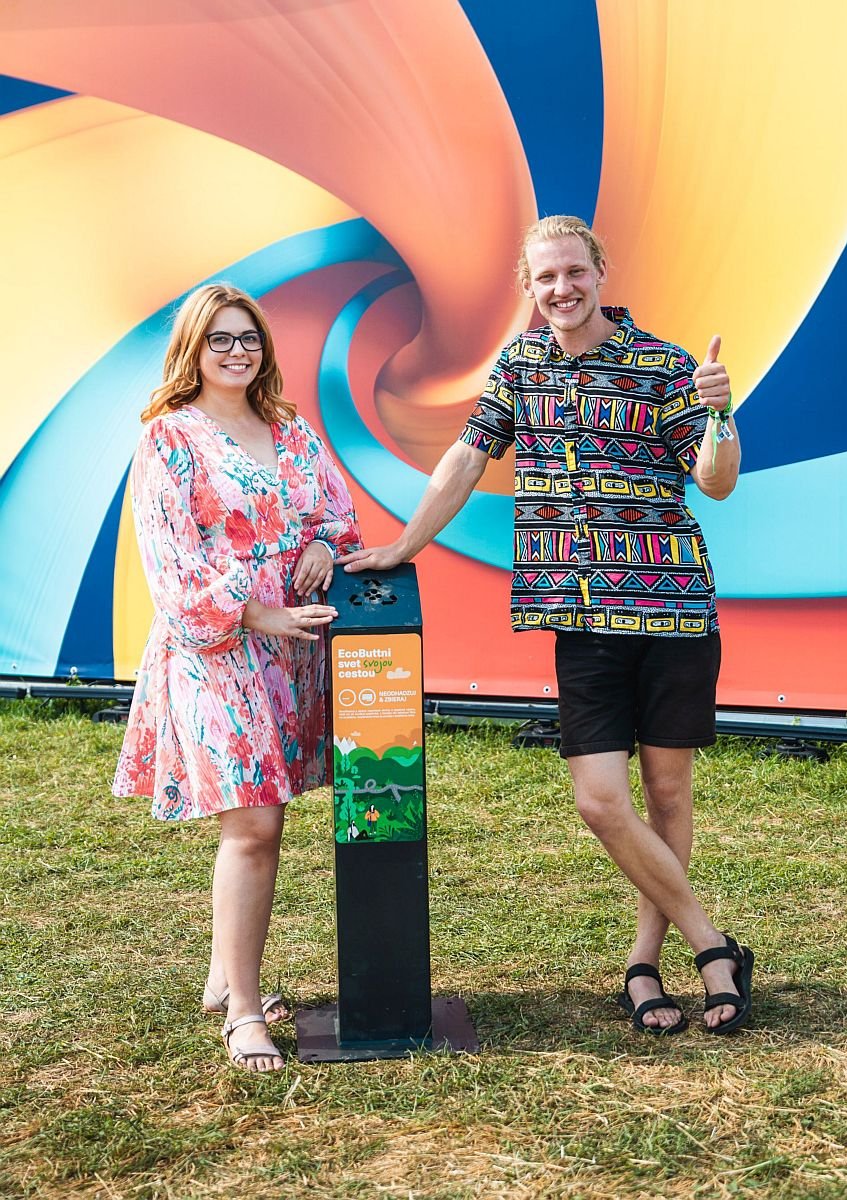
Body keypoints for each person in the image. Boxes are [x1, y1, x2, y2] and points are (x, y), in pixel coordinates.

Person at [340, 215, 754, 1036]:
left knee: (667, 793)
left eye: (574, 271)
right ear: (528, 288)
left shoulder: (664, 364)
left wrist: (720, 416)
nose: (561, 288)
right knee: (601, 801)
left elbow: (716, 482)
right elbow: (467, 456)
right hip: (582, 617)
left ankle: (644, 962)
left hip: (672, 610)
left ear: (599, 271)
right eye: (545, 278)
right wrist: (404, 544)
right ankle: (714, 944)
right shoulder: (520, 365)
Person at [113, 283, 361, 1071]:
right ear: (193, 348)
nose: (236, 351)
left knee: (264, 819)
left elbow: (336, 516)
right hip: (216, 651)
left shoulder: (290, 428)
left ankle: (225, 977)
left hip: (292, 654)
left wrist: (322, 545)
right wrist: (257, 614)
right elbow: (171, 566)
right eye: (219, 338)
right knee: (254, 825)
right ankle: (245, 1015)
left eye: (248, 337)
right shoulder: (168, 438)